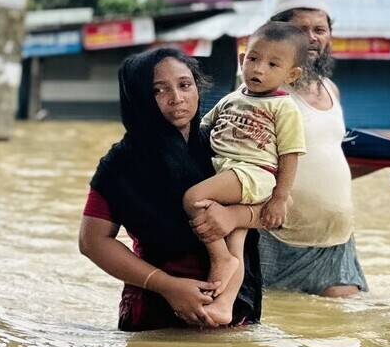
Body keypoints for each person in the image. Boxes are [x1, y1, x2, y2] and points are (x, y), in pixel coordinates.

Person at [193, 0, 372, 297]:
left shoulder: (331, 90)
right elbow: (239, 162)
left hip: (335, 238)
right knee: (277, 329)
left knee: (339, 334)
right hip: (277, 235)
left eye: (320, 29)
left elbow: (326, 164)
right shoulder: (259, 95)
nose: (313, 39)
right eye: (302, 30)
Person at [81, 47, 263, 331]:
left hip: (233, 302)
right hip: (157, 310)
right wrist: (168, 286)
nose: (177, 99)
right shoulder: (121, 164)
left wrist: (236, 217)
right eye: (158, 90)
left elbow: (277, 208)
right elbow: (91, 242)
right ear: (138, 97)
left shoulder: (224, 144)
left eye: (185, 85)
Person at [179, 22, 309, 324]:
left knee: (194, 198)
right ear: (242, 60)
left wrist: (280, 198)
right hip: (230, 173)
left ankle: (219, 259)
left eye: (273, 64)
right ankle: (224, 305)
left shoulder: (284, 108)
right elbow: (200, 130)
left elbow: (290, 155)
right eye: (253, 59)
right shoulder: (232, 98)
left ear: (291, 75)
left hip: (253, 173)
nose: (259, 69)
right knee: (235, 240)